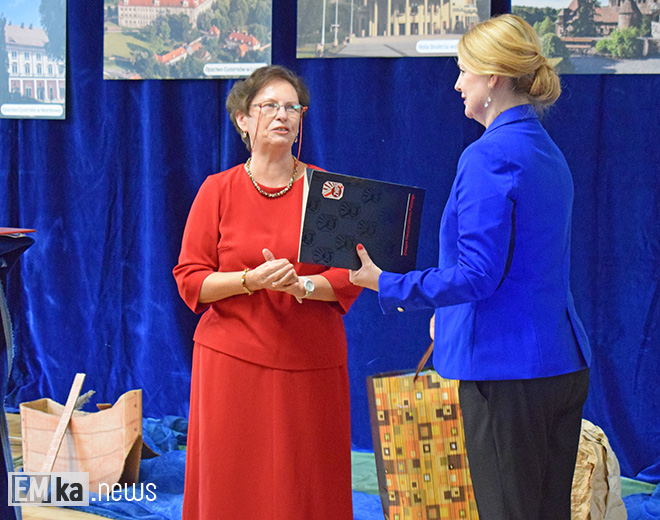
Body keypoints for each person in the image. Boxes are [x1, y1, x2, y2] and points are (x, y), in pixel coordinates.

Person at [349, 14, 592, 520]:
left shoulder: (488, 155)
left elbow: (479, 274)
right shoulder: (546, 150)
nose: (458, 84)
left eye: (464, 71)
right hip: (561, 363)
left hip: (506, 372)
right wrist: (450, 316)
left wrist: (386, 282)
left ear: (494, 77)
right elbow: (525, 269)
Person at [173, 65, 362, 520]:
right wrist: (249, 281)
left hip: (310, 359)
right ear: (242, 119)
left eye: (292, 107)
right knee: (233, 483)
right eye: (270, 106)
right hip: (231, 361)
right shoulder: (217, 190)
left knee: (308, 483)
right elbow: (191, 279)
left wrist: (303, 285)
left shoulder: (329, 189)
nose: (283, 115)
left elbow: (350, 275)